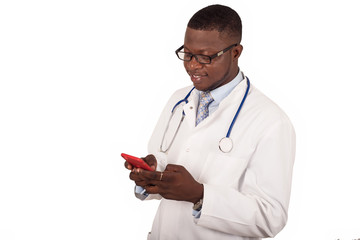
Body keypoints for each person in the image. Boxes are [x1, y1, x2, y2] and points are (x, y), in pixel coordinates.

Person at [124, 4, 296, 240]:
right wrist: (154, 171)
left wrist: (199, 194)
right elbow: (167, 161)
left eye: (205, 57)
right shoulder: (178, 100)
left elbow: (270, 217)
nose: (193, 65)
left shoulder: (271, 121)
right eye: (187, 54)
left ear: (235, 52)